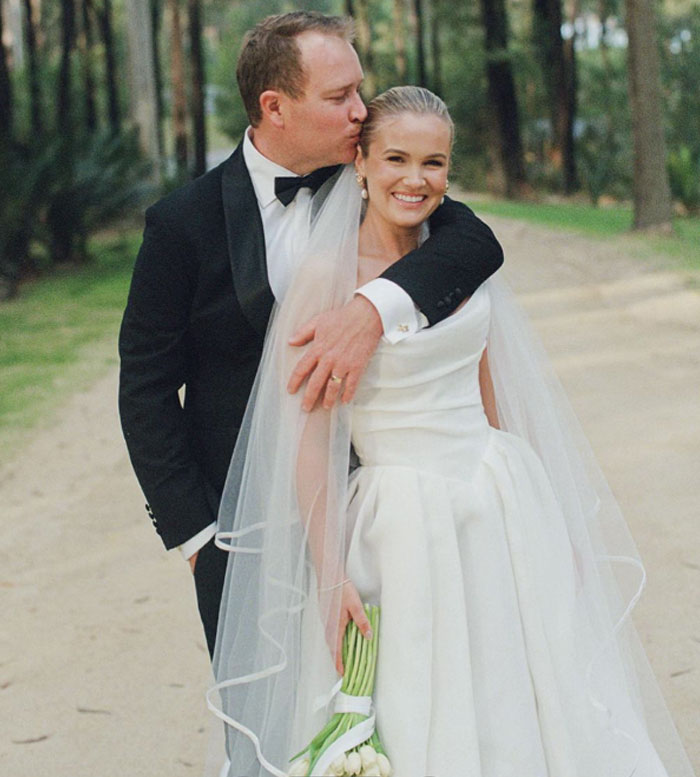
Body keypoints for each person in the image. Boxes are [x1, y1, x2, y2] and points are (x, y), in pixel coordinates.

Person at [207, 88, 697, 777]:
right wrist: (328, 575)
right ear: (362, 165)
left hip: (498, 499)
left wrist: (551, 523)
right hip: (403, 520)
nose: (416, 179)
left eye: (433, 163)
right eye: (397, 159)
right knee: (422, 697)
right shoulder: (326, 275)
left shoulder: (459, 257)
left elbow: (492, 397)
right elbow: (310, 439)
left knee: (525, 687)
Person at [118, 11, 503, 658]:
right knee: (262, 733)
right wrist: (197, 538)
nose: (362, 110)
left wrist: (373, 308)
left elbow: (474, 243)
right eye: (339, 96)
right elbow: (146, 389)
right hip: (243, 533)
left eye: (359, 88)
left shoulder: (376, 176)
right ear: (275, 106)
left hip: (379, 512)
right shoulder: (181, 225)